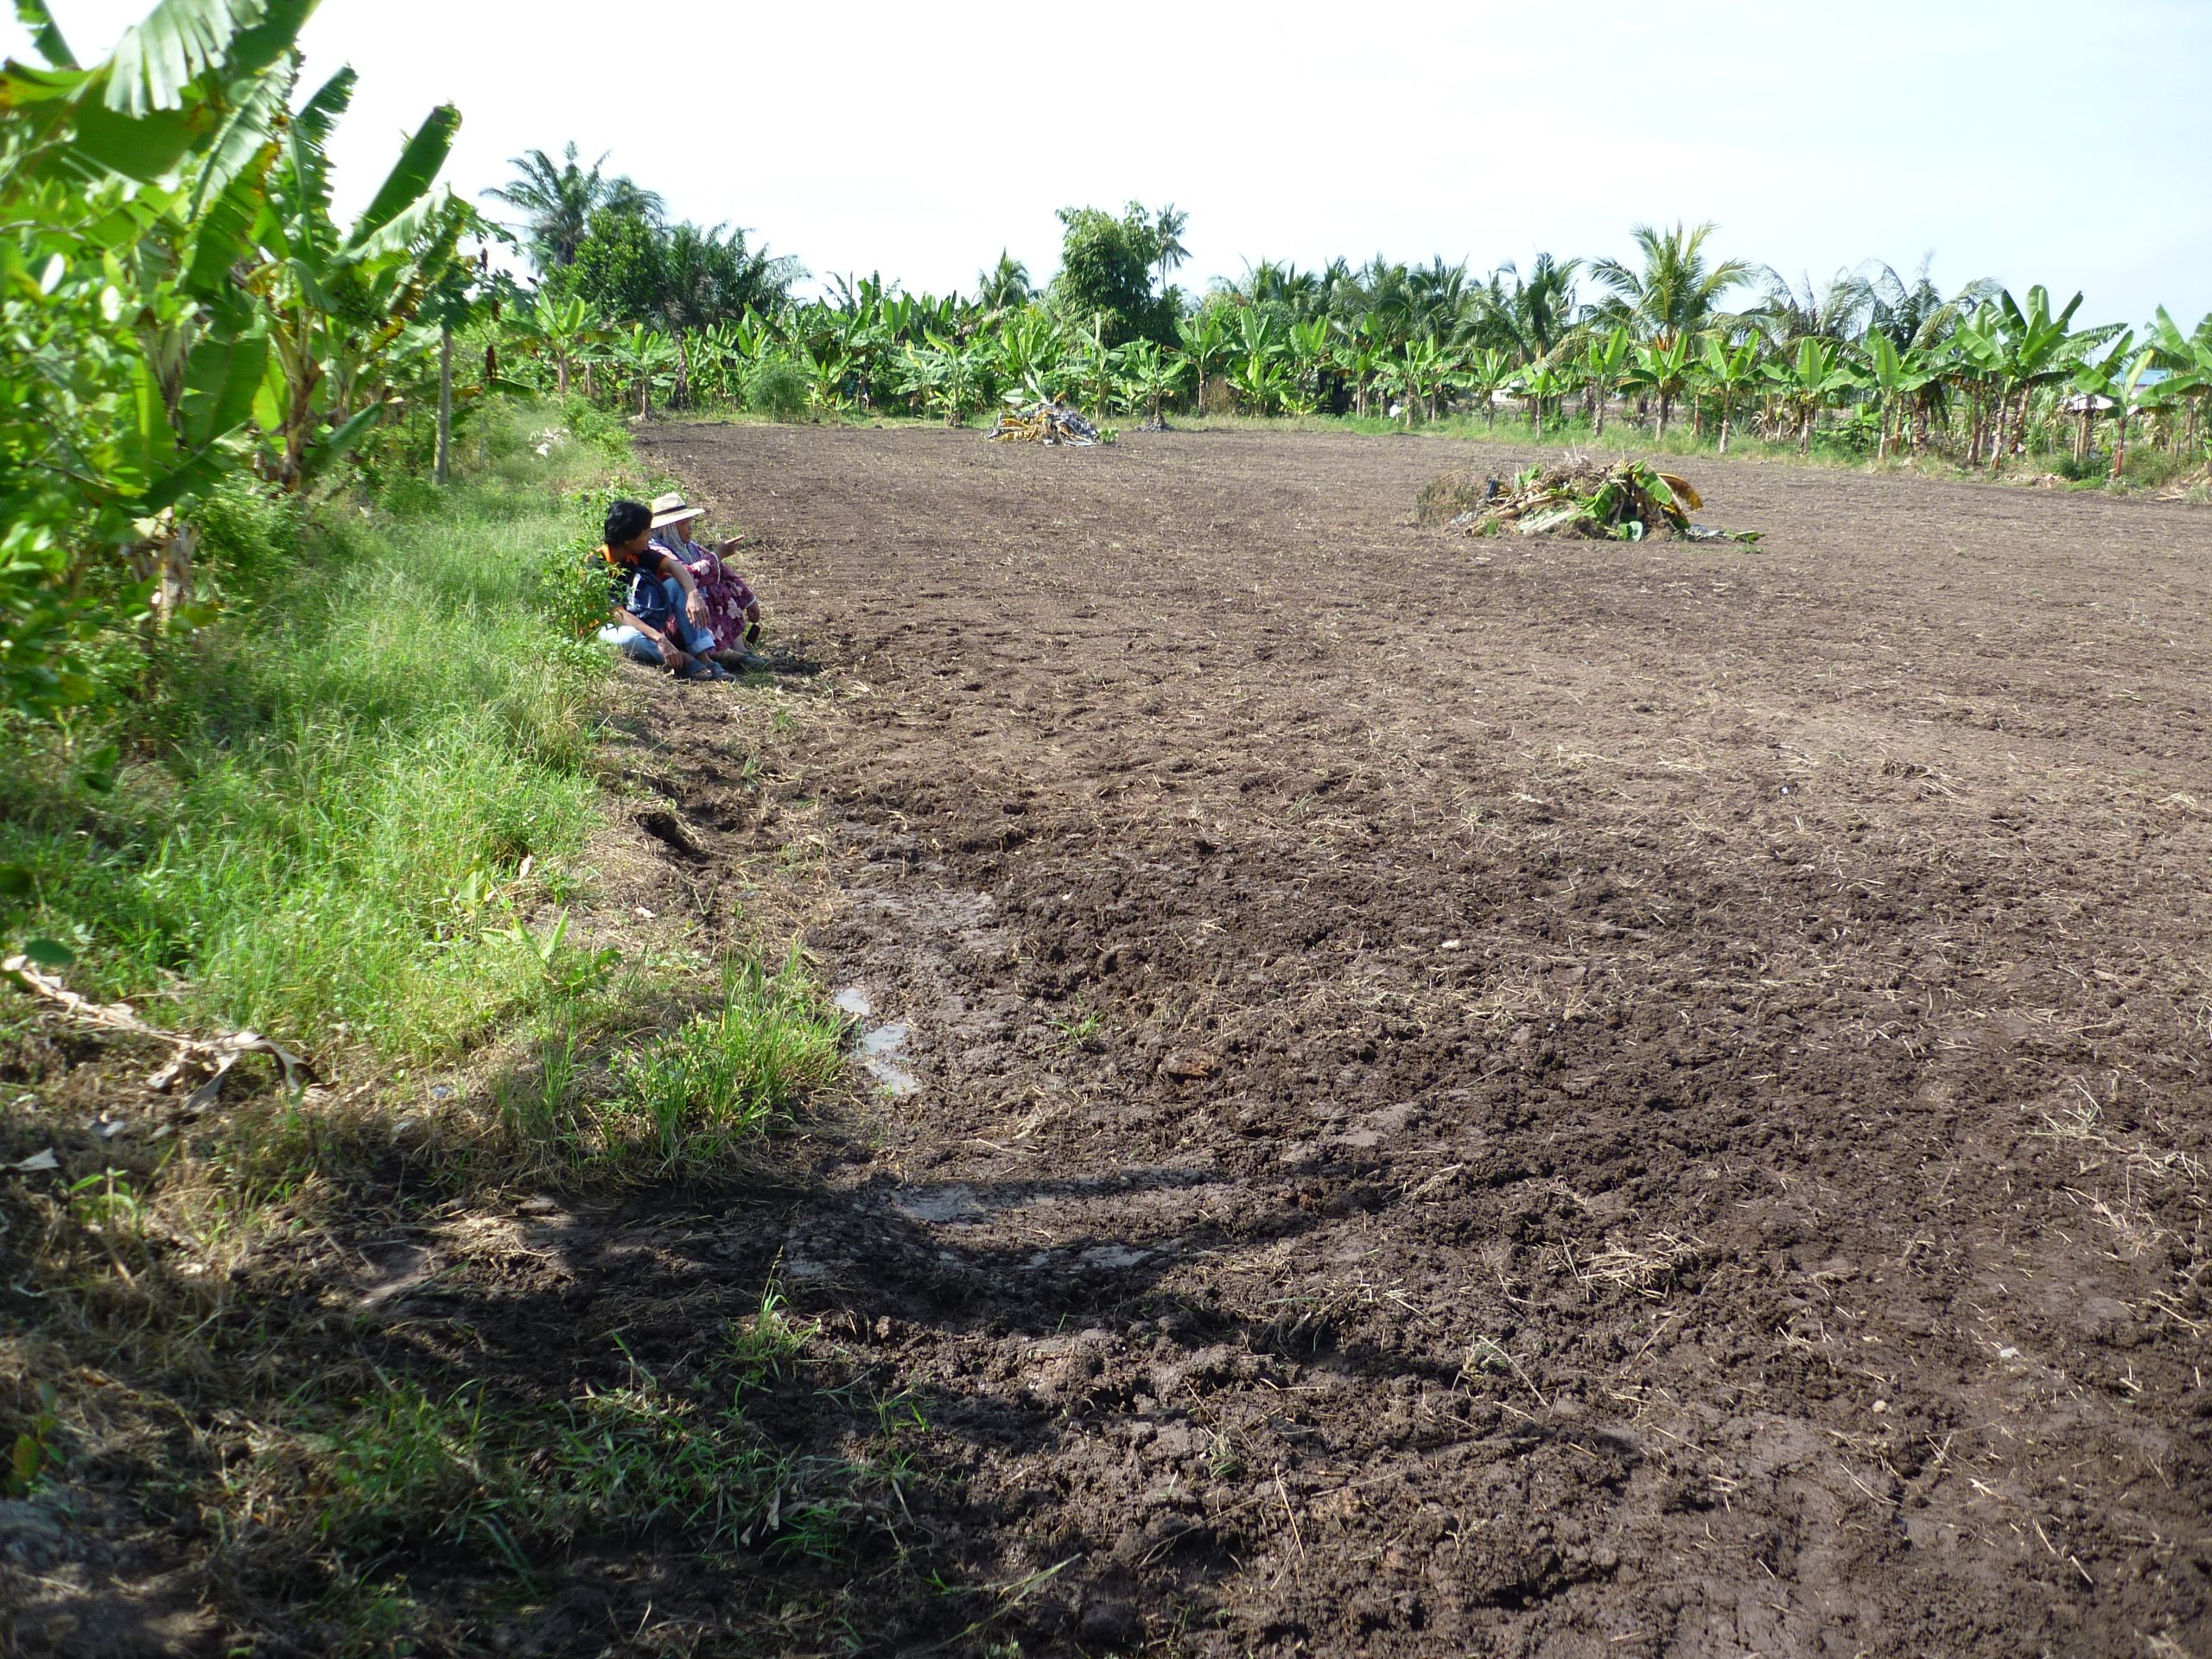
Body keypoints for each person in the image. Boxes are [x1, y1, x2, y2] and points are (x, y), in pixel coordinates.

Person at [595, 499, 732, 681]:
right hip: (610, 625)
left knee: (676, 584)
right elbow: (617, 614)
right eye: (646, 534)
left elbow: (676, 567)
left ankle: (703, 657)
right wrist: (659, 638)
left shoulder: (636, 552)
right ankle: (683, 659)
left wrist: (693, 594)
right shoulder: (596, 564)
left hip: (640, 617)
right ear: (629, 540)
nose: (650, 539)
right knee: (626, 639)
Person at [645, 492, 766, 667]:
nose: (690, 528)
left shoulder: (690, 547)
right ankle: (719, 653)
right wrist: (717, 555)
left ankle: (739, 648)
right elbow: (688, 574)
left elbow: (722, 570)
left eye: (689, 522)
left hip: (698, 609)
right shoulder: (657, 550)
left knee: (721, 586)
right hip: (675, 616)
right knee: (706, 593)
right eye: (684, 523)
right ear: (668, 528)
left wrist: (749, 599)